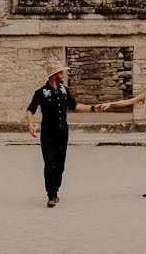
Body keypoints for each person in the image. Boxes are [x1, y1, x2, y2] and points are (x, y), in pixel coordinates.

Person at [26, 61, 102, 208]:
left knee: (60, 165)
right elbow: (30, 110)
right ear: (54, 75)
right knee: (49, 164)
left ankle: (56, 190)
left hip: (62, 134)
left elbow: (76, 106)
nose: (63, 75)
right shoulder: (40, 93)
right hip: (47, 135)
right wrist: (30, 124)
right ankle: (51, 195)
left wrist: (93, 108)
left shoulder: (64, 90)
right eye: (61, 73)